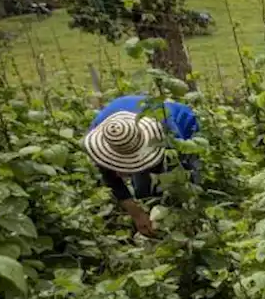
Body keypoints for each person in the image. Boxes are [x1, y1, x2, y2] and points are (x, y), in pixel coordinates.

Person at [83, 95, 201, 238]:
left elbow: (179, 175)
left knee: (187, 189)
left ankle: (191, 227)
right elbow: (108, 174)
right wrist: (136, 212)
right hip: (130, 121)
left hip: (183, 127)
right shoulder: (103, 136)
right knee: (143, 191)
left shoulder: (167, 133)